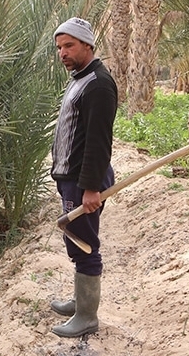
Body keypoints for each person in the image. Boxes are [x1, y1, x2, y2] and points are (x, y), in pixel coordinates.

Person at [49, 17, 117, 338]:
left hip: (83, 181)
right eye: (59, 47)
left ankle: (87, 316)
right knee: (75, 239)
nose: (63, 52)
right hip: (72, 178)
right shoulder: (80, 78)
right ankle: (80, 300)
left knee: (85, 245)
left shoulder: (99, 84)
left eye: (69, 45)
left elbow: (98, 141)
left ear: (87, 45)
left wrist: (90, 188)